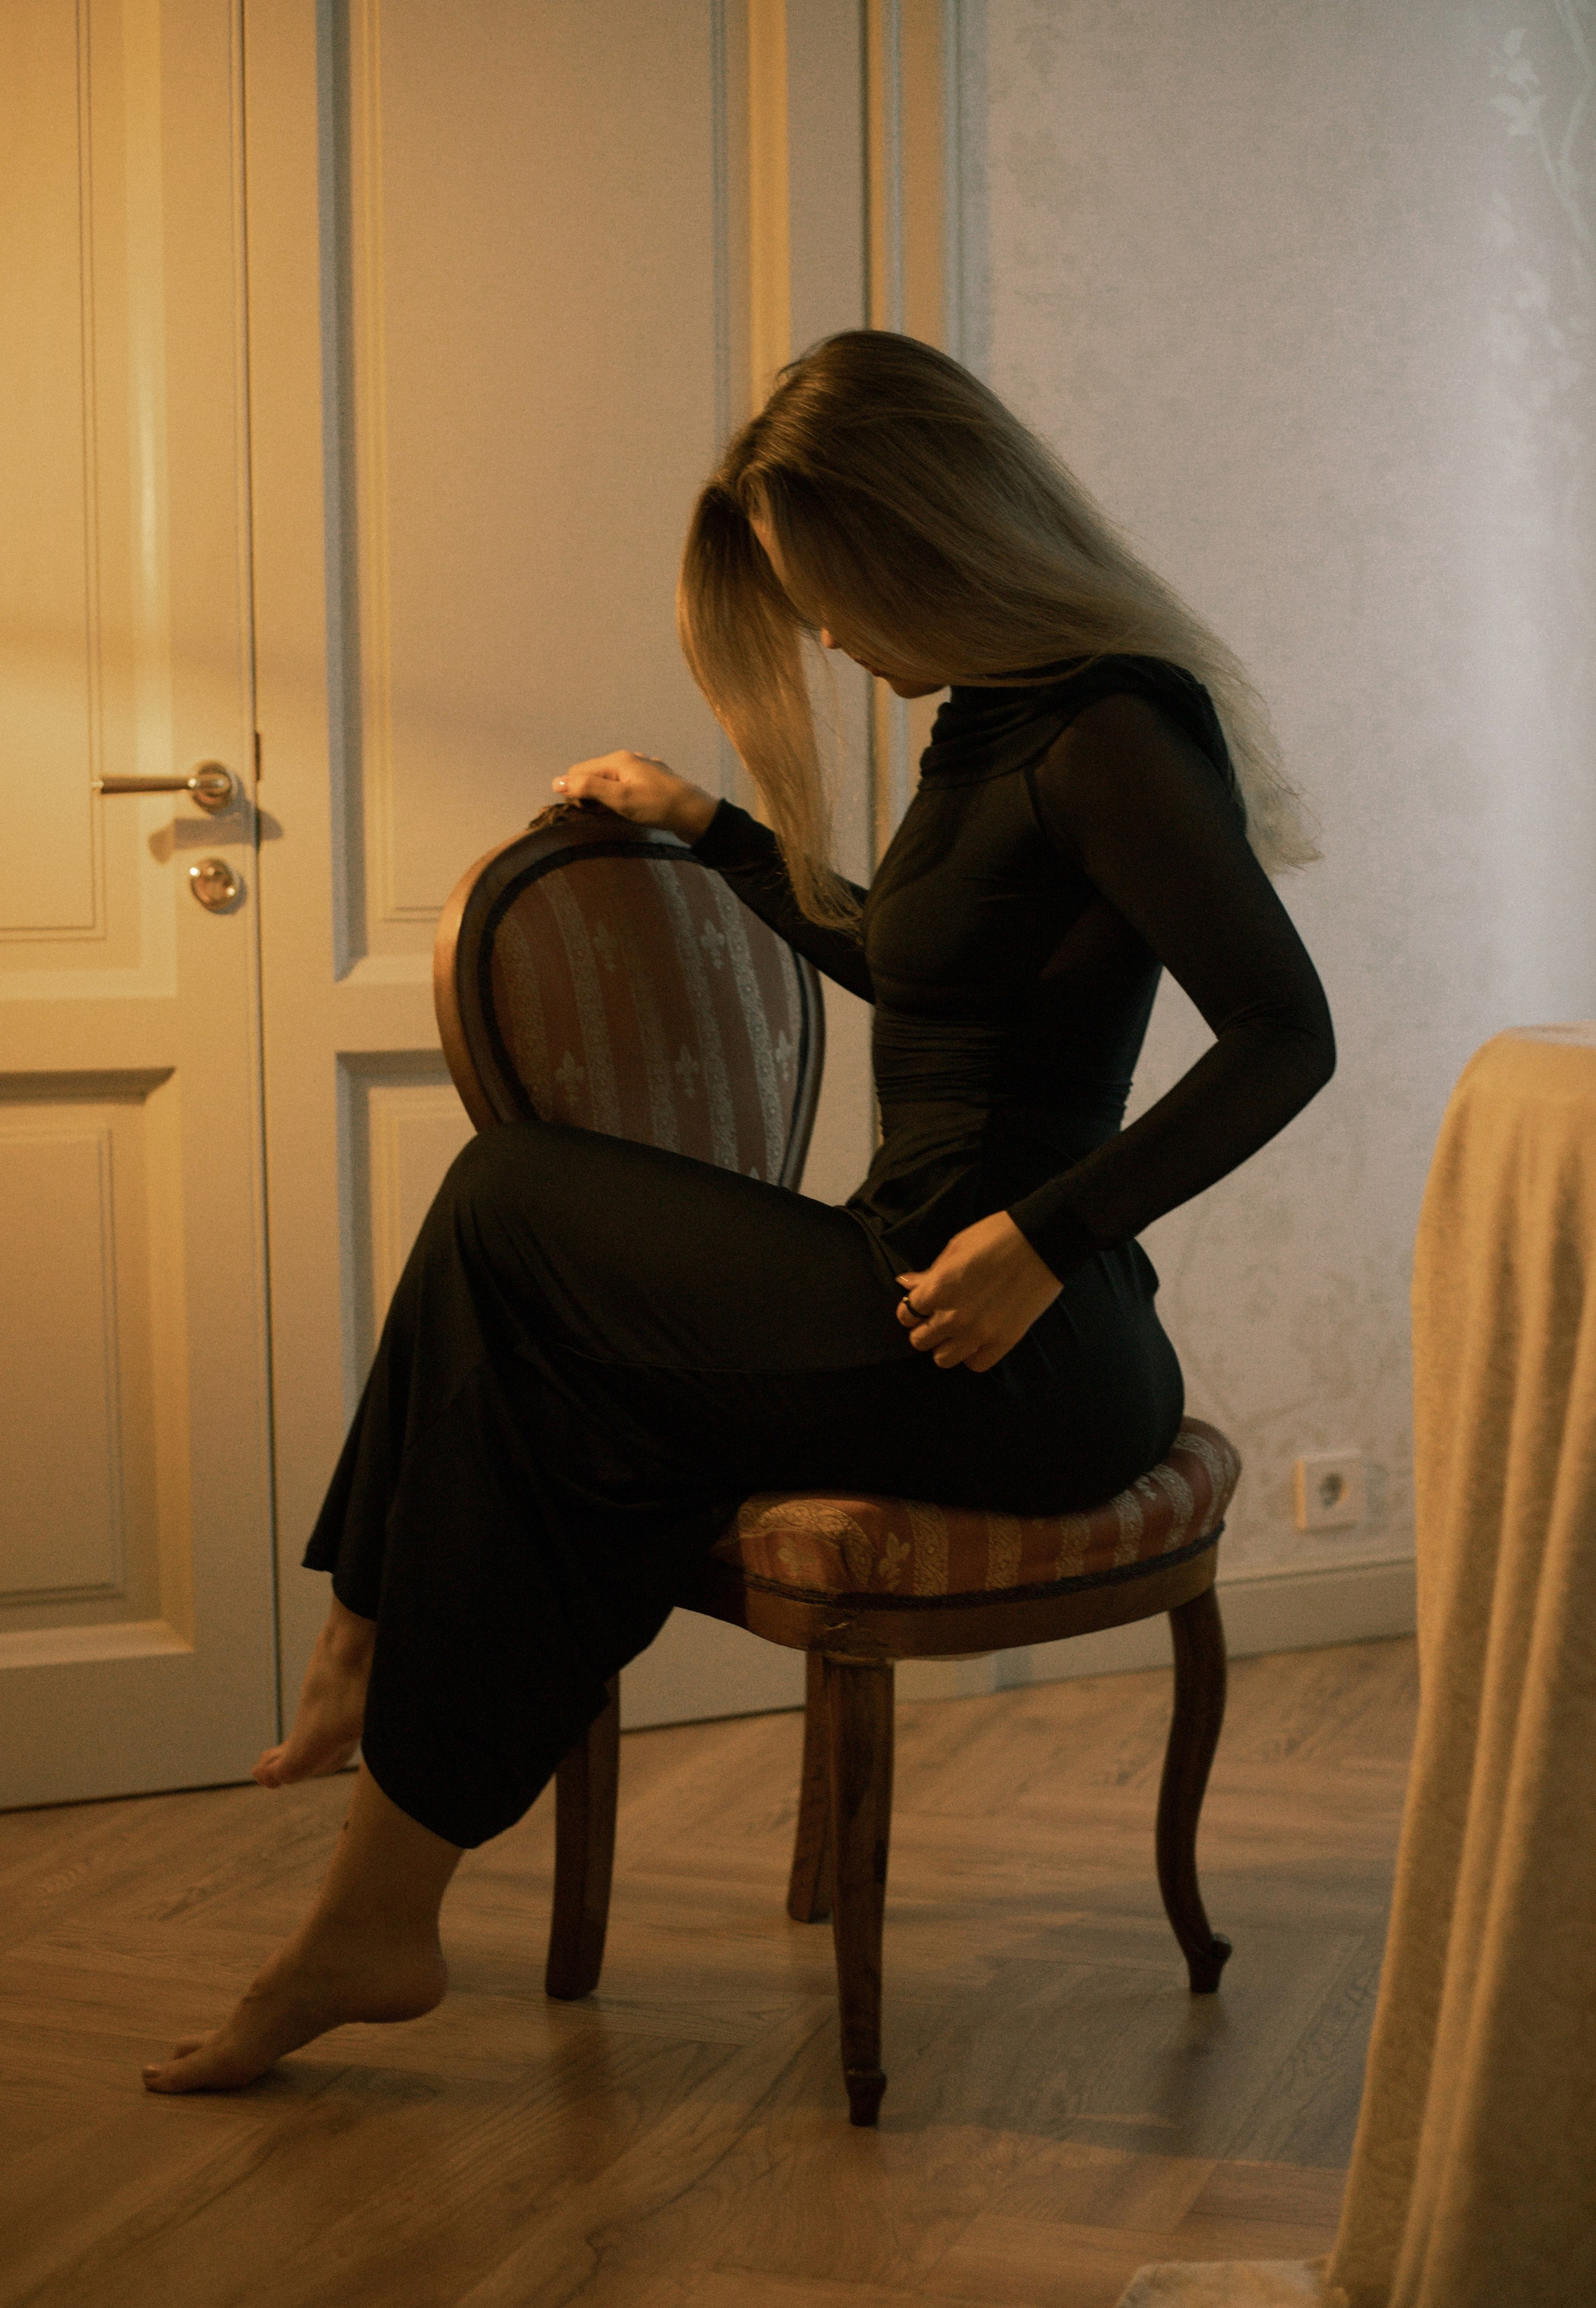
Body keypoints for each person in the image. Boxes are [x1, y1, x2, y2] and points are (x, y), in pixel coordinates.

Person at [143, 330, 1333, 2094]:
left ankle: (363, 1645)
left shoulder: (1114, 732)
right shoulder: (985, 723)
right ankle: (371, 1918)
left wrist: (1046, 1239)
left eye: (829, 590)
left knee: (508, 1199)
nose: (826, 638)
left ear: (932, 538)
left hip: (1022, 1348)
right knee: (564, 1416)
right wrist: (704, 825)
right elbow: (915, 964)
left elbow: (1288, 1037)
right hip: (912, 1291)